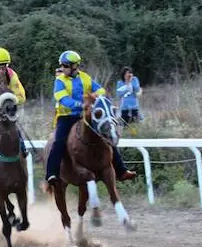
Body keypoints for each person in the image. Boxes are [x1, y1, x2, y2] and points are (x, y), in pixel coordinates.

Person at [45, 51, 136, 184]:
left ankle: (121, 171)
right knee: (58, 141)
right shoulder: (60, 81)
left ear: (74, 66)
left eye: (65, 65)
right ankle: (52, 174)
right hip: (66, 117)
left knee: (106, 137)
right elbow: (62, 98)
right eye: (62, 65)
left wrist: (94, 98)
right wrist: (81, 104)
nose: (62, 68)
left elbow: (101, 90)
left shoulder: (85, 77)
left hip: (84, 116)